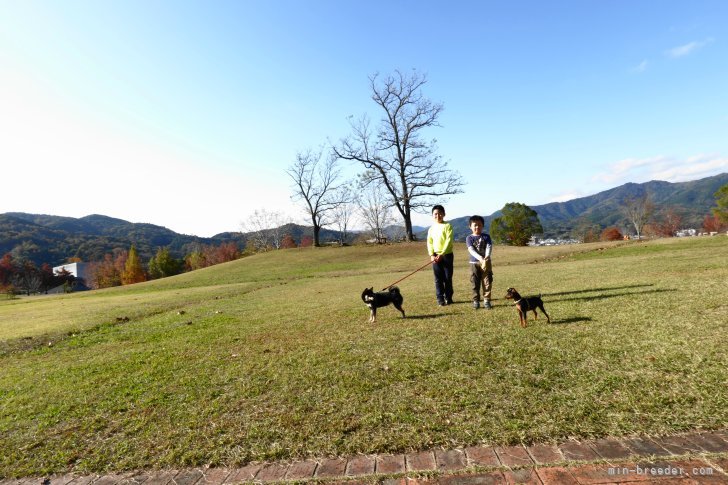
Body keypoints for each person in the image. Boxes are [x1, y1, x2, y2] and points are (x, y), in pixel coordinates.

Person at [427, 205, 454, 306]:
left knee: (447, 278)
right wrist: (431, 255)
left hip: (447, 255)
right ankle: (440, 299)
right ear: (432, 215)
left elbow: (448, 240)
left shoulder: (448, 226)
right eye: (435, 214)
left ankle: (448, 297)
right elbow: (429, 242)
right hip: (435, 256)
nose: (437, 215)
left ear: (444, 214)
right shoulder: (431, 229)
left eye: (439, 213)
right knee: (438, 279)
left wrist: (442, 253)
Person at [466, 215, 493, 309]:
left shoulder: (486, 236)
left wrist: (486, 258)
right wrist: (480, 258)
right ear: (470, 226)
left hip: (486, 262)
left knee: (487, 282)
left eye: (480, 225)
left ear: (483, 226)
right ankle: (476, 301)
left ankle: (486, 300)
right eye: (475, 225)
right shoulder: (469, 238)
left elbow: (489, 247)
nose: (477, 227)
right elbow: (471, 250)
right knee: (475, 282)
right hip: (474, 263)